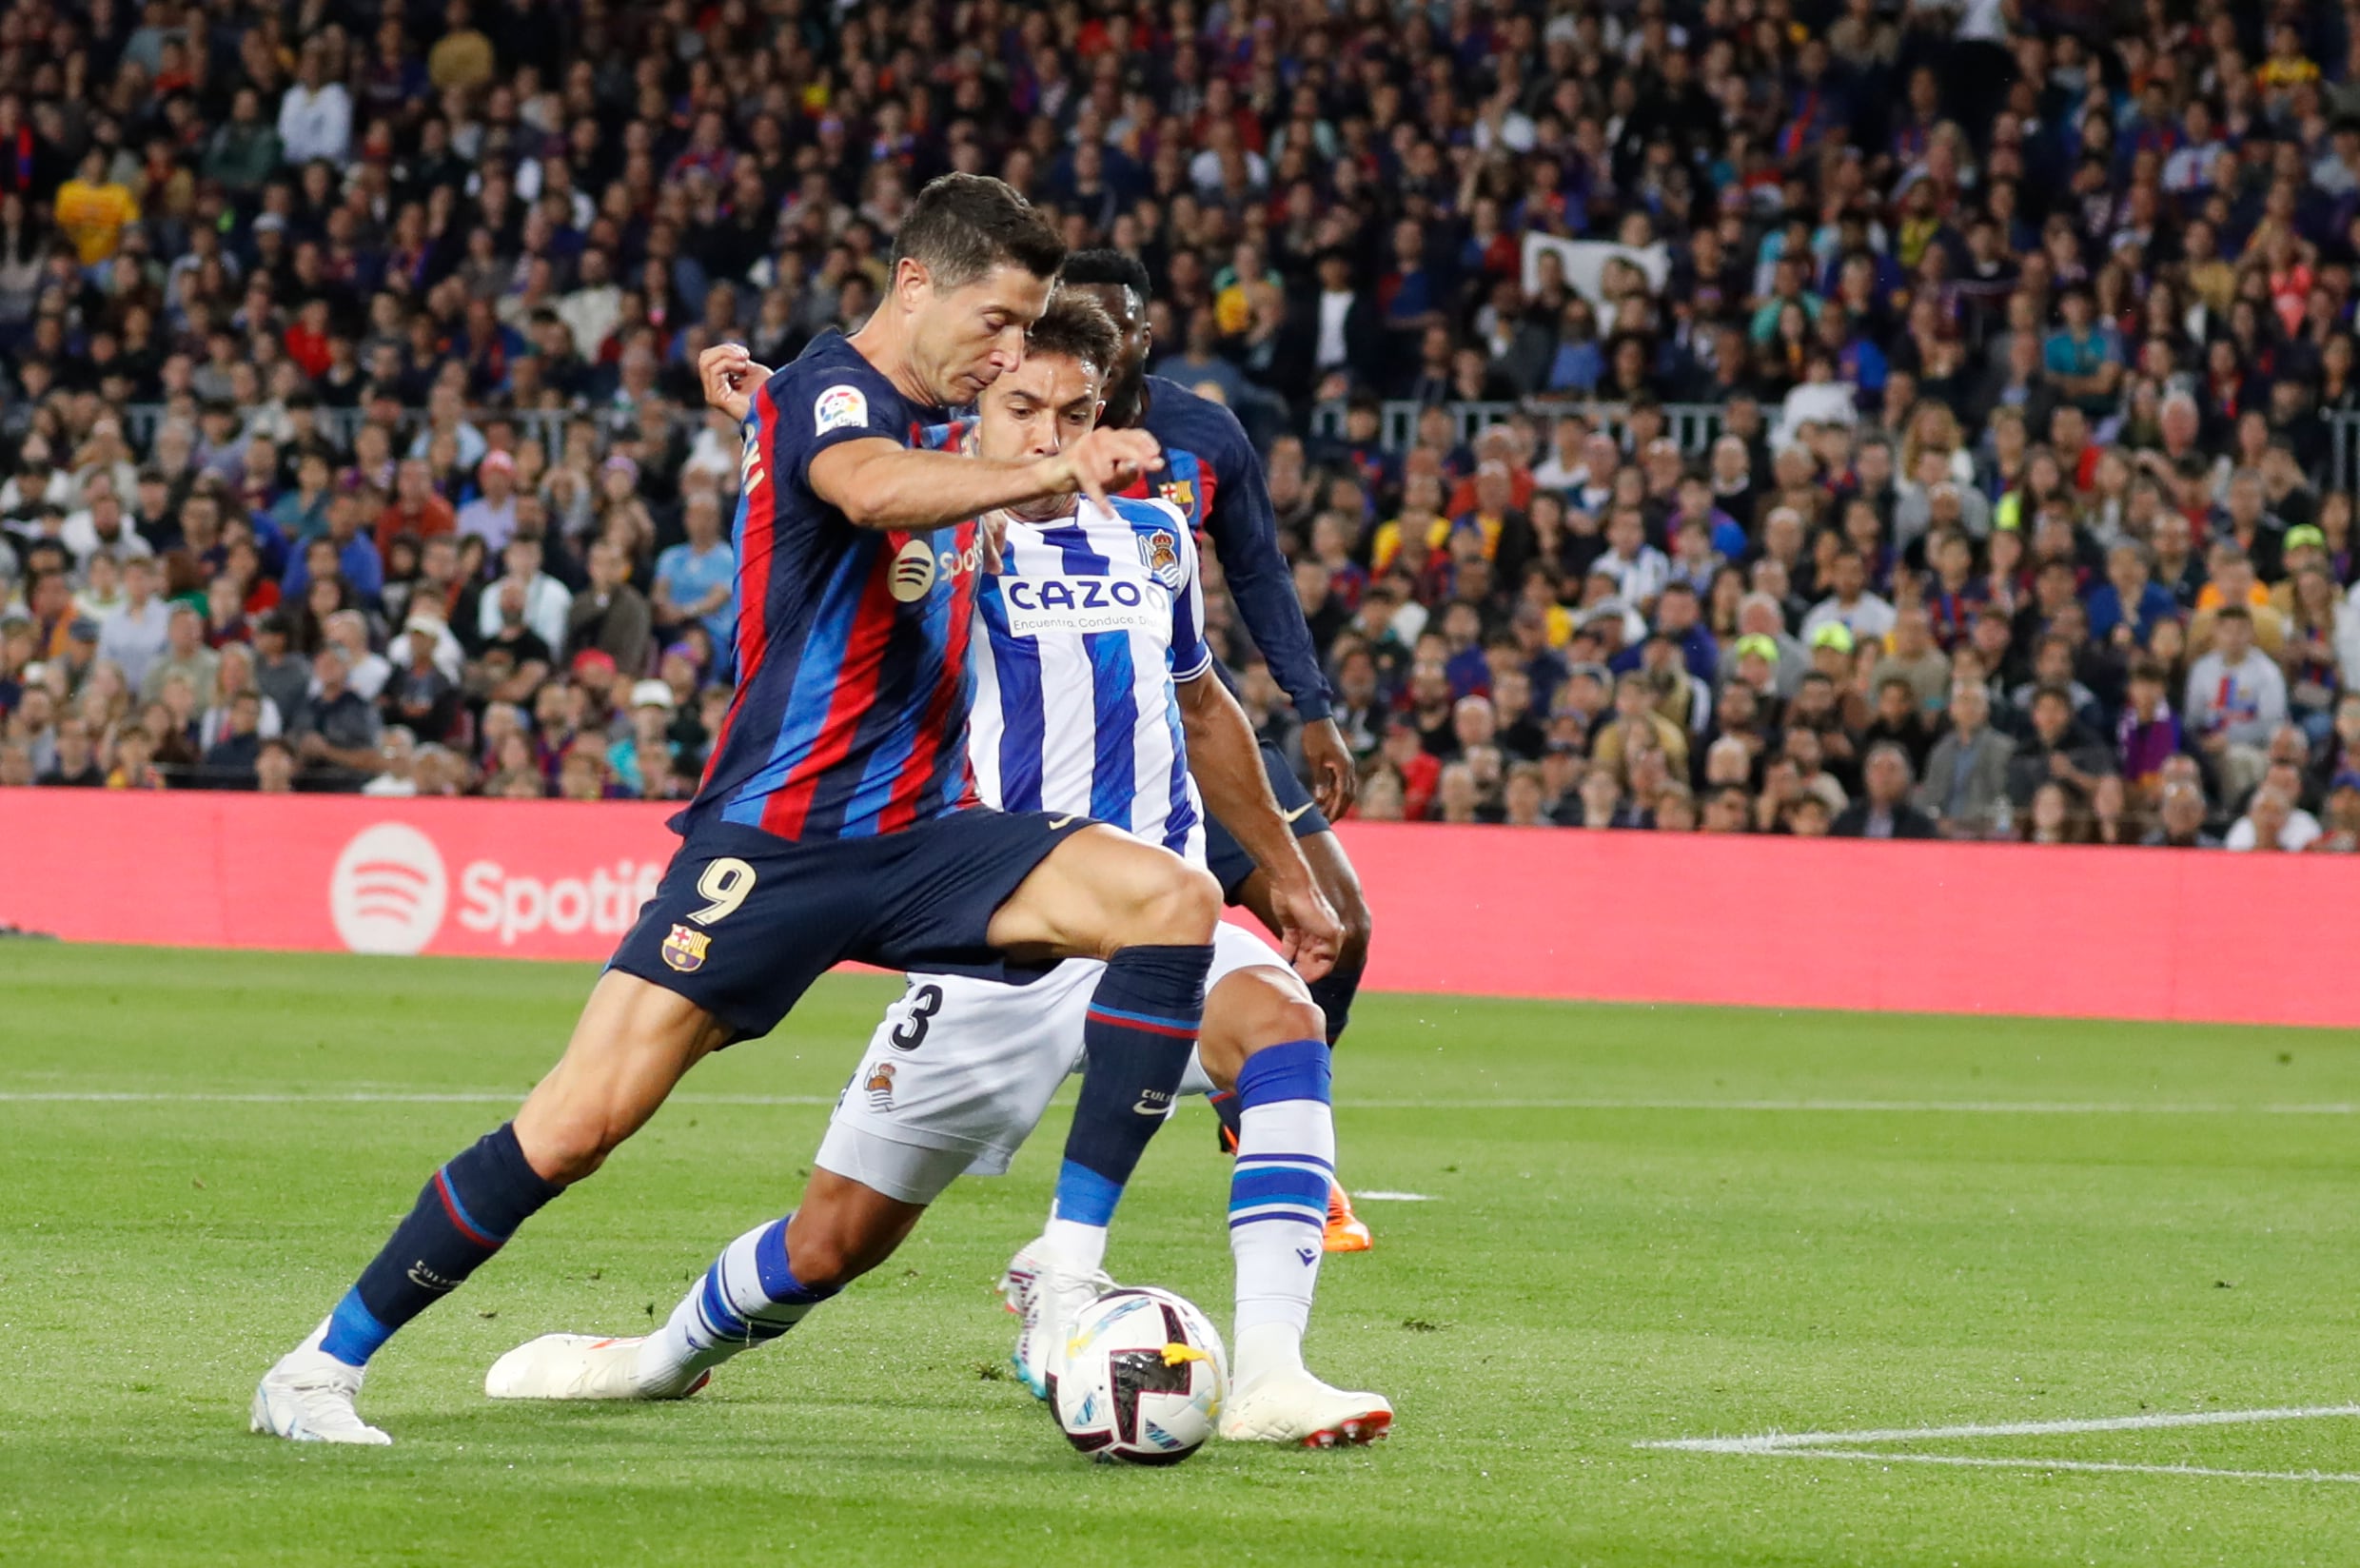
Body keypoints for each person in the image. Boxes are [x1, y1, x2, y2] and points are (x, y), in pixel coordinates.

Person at [251, 174, 1333, 1447]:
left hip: (930, 835)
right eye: (995, 322)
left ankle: (1070, 1262)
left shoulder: (916, 404)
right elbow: (867, 486)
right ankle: (318, 1368)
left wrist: (997, 450)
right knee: (579, 1120)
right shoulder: (845, 392)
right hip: (777, 840)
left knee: (1176, 897)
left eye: (1027, 334)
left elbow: (893, 465)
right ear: (916, 285)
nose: (1006, 356)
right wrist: (1041, 460)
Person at [482, 298, 1386, 1445]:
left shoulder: (1153, 538)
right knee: (831, 1242)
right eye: (1020, 406)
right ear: (977, 409)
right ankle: (657, 1358)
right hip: (992, 925)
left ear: (1102, 412)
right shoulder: (950, 534)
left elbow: (1203, 709)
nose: (1048, 430)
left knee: (1284, 1025)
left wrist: (1286, 871)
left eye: (1073, 410)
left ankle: (1265, 1369)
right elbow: (829, 499)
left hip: (1157, 911)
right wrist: (769, 414)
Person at [1056, 250, 1373, 1250]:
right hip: (1070, 744)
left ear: (1142, 338)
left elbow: (1260, 572)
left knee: (1344, 921)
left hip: (1202, 725)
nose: (1098, 361)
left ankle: (1260, 1124)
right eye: (1078, 334)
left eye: (1115, 335)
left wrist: (1311, 705)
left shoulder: (1203, 434)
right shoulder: (1021, 436)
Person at [1831, 743, 1937, 839]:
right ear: (1865, 776)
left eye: (1892, 769)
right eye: (1876, 768)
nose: (1884, 776)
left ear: (1907, 777)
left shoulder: (1921, 826)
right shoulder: (1847, 820)